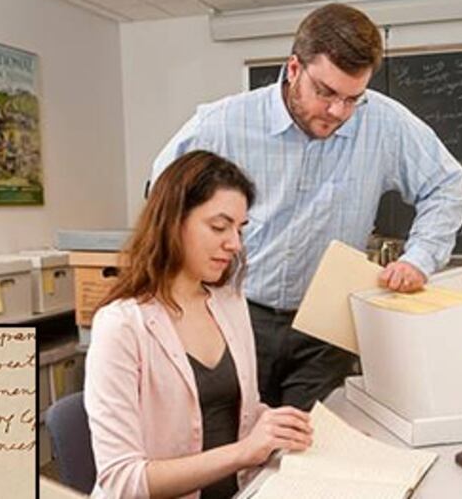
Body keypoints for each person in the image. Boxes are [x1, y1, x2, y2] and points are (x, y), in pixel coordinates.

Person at [150, 3, 462, 411]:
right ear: (294, 68)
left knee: (308, 448)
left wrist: (420, 258)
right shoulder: (223, 123)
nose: (339, 112)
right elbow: (163, 194)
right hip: (235, 312)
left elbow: (446, 185)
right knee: (233, 443)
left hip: (328, 324)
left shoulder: (385, 123)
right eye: (326, 92)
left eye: (354, 98)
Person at [85, 150, 313, 499]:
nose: (234, 244)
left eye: (239, 229)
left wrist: (278, 425)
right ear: (173, 220)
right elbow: (123, 480)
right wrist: (244, 452)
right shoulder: (121, 325)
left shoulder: (230, 304)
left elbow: (237, 412)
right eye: (219, 227)